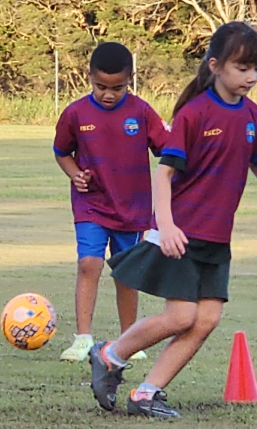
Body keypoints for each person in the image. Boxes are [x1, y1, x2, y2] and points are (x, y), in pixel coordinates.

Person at [88, 22, 257, 418]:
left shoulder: (252, 116)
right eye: (242, 68)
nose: (251, 77)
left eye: (256, 69)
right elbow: (163, 173)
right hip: (182, 232)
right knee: (181, 315)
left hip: (217, 237)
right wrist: (165, 225)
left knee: (207, 319)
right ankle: (110, 354)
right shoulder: (195, 114)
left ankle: (146, 393)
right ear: (215, 65)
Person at [53, 42, 170, 362]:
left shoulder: (142, 112)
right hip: (90, 204)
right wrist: (74, 174)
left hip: (132, 210)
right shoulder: (76, 113)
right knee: (88, 263)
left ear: (130, 79)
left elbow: (167, 148)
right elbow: (62, 152)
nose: (108, 94)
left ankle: (130, 340)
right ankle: (82, 338)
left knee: (126, 273)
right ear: (88, 76)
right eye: (100, 86)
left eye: (117, 88)